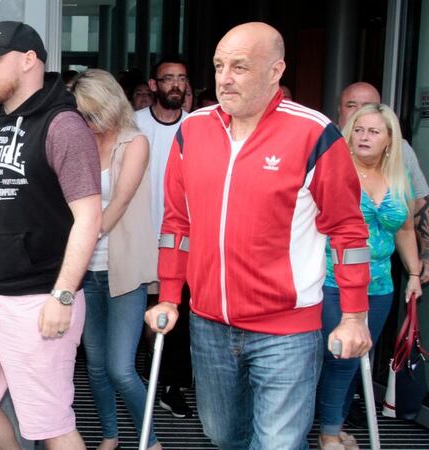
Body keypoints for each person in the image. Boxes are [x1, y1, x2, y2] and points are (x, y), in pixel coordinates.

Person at [146, 22, 373, 450]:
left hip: (286, 329)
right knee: (223, 435)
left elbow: (348, 230)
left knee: (278, 443)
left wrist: (355, 315)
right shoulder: (193, 131)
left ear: (275, 71)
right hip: (209, 322)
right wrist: (170, 295)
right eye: (218, 65)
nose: (224, 77)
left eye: (240, 66)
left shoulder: (313, 133)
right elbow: (178, 224)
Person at [0, 21, 102, 450]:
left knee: (51, 425)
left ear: (29, 60)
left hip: (40, 297)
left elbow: (89, 217)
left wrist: (64, 295)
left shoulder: (64, 125)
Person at [317, 103, 422, 449]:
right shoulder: (336, 168)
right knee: (341, 357)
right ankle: (328, 431)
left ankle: (336, 422)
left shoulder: (397, 177)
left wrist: (414, 273)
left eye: (374, 131)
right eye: (359, 129)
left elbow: (405, 228)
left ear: (389, 140)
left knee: (360, 355)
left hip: (379, 286)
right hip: (334, 281)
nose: (364, 137)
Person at [69, 69, 160, 450]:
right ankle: (110, 435)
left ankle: (150, 440)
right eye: (81, 114)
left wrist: (80, 244)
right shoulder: (80, 143)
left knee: (121, 368)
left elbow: (120, 201)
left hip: (123, 272)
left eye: (91, 113)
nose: (87, 122)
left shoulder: (134, 142)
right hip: (86, 273)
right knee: (95, 366)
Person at [136, 55, 193, 419]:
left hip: (184, 242)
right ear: (153, 85)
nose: (176, 84)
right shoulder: (135, 124)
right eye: (168, 78)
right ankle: (145, 378)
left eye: (182, 79)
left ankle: (168, 386)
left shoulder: (198, 126)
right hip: (139, 240)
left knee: (177, 317)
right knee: (143, 315)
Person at [338, 82, 429, 283]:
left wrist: (423, 259)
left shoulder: (401, 155)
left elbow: (418, 208)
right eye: (351, 105)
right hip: (332, 279)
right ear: (339, 109)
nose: (360, 112)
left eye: (367, 105)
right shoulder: (326, 151)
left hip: (381, 281)